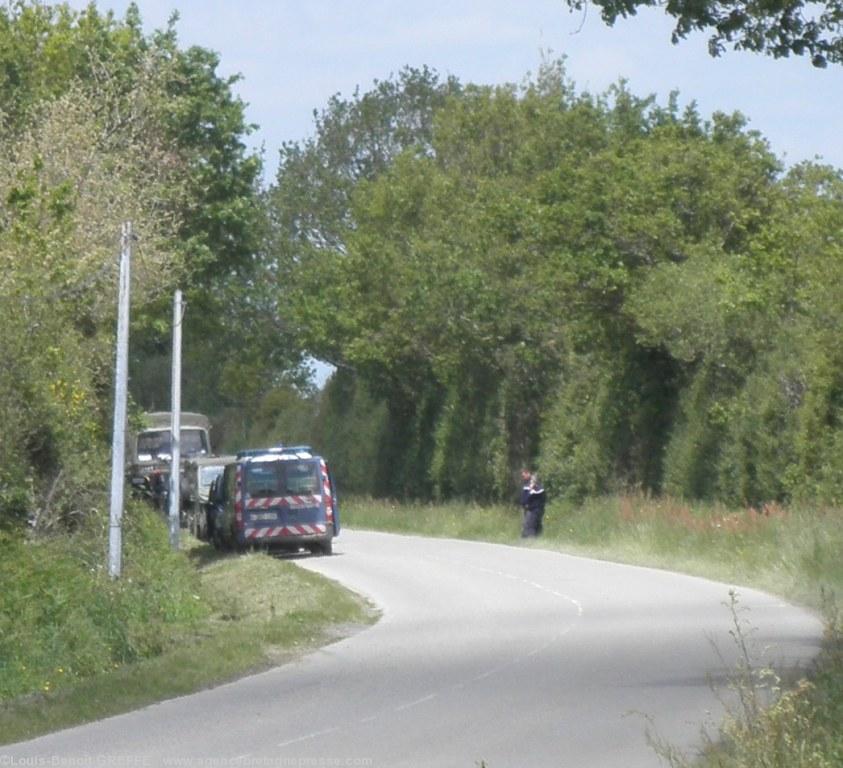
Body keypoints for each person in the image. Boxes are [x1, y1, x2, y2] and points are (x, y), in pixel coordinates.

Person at [520, 468, 546, 537]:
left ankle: (531, 541)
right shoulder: (527, 484)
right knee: (527, 525)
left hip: (534, 510)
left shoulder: (537, 487)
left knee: (530, 527)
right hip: (529, 509)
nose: (523, 478)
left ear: (528, 473)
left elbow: (531, 497)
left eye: (523, 476)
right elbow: (525, 498)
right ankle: (529, 541)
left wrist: (531, 489)